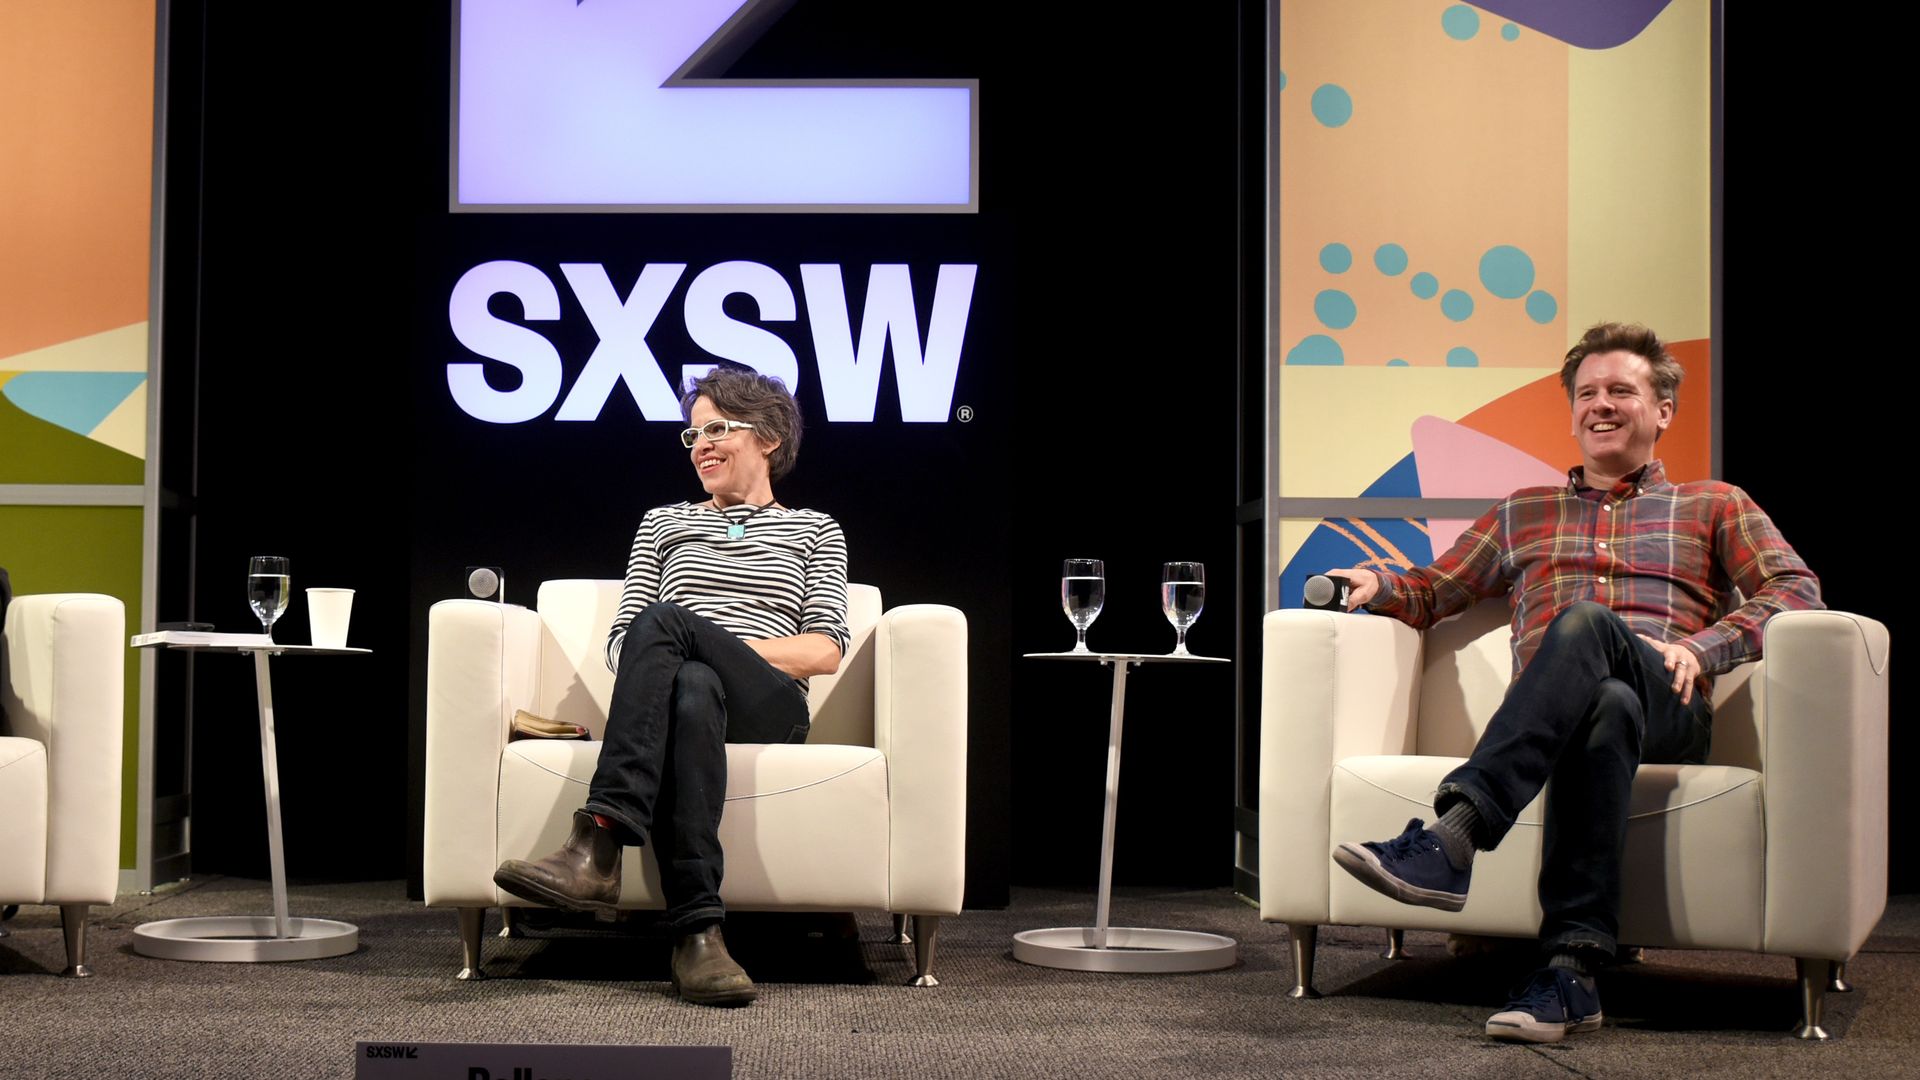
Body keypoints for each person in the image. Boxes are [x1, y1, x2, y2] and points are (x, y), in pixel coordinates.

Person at [1326, 322, 1821, 1043]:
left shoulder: (1716, 504)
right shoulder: (1523, 511)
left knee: (1590, 627)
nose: (1602, 404)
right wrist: (1376, 584)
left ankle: (1454, 837)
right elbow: (1434, 591)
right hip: (1577, 720)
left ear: (1662, 412)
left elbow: (1796, 590)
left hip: (1672, 710)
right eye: (1587, 392)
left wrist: (1705, 648)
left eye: (1622, 390)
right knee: (1605, 703)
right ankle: (1570, 973)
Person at [494, 365, 849, 1007]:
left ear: (767, 437)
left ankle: (598, 839)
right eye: (692, 436)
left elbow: (823, 650)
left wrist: (705, 640)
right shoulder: (662, 523)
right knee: (689, 686)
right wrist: (692, 653)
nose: (701, 446)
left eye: (717, 430)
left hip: (768, 707)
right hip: (687, 703)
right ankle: (698, 937)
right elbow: (621, 645)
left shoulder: (816, 529)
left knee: (675, 633)